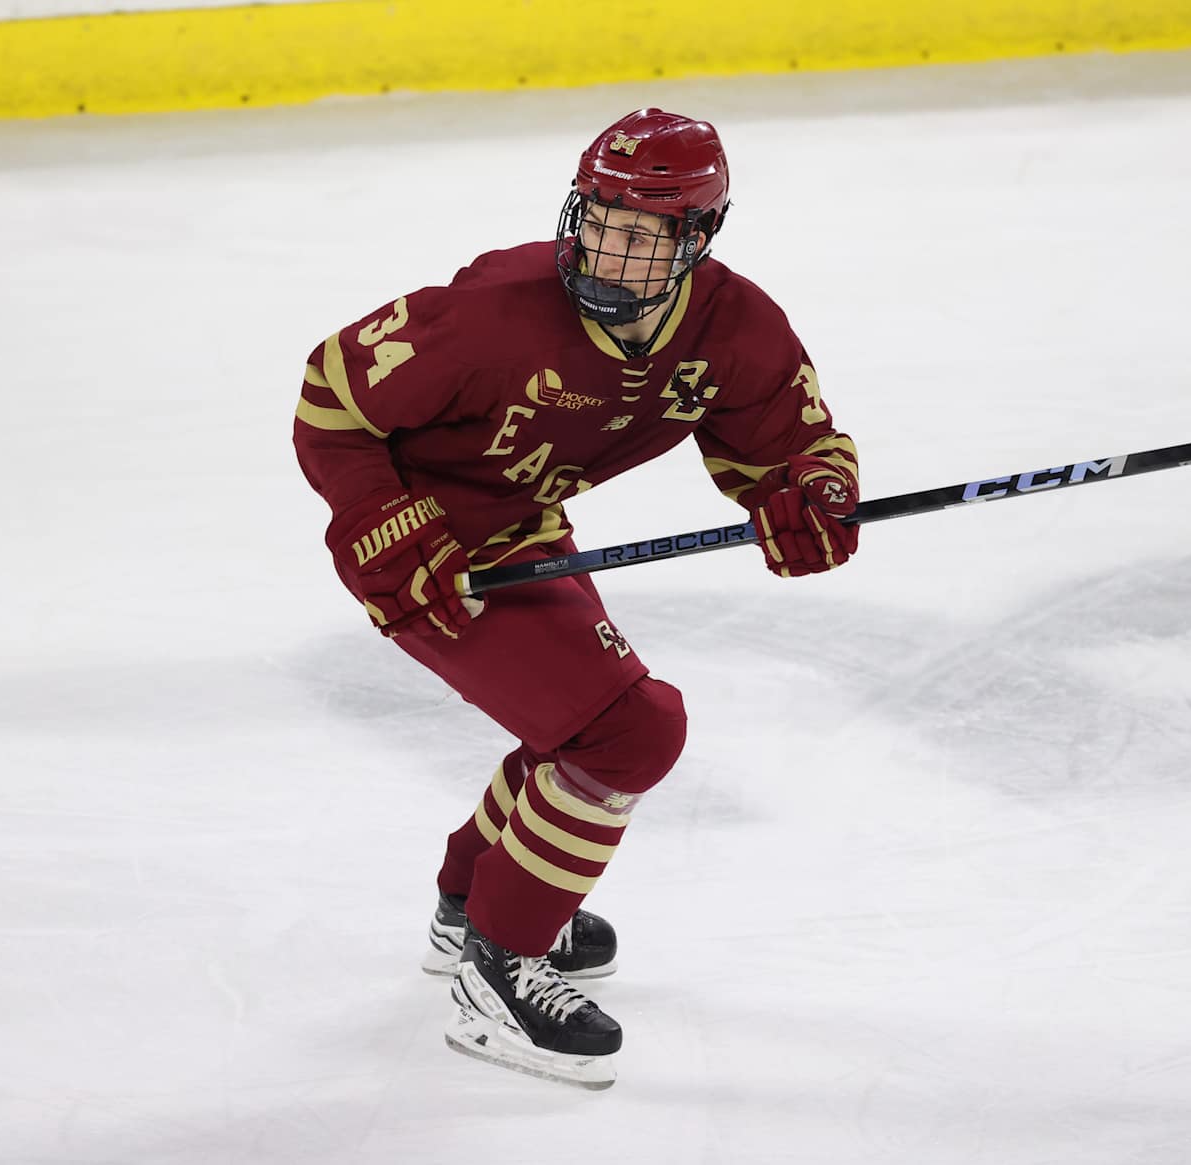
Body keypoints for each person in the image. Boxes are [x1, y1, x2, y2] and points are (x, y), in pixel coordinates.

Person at [292, 108, 860, 1089]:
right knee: (629, 732)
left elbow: (792, 442)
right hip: (420, 549)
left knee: (588, 730)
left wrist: (810, 495)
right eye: (597, 219)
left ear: (697, 240)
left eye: (642, 235)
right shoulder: (493, 312)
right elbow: (330, 401)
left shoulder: (733, 327)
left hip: (521, 530)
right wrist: (381, 523)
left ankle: (473, 905)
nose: (607, 247)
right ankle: (500, 971)